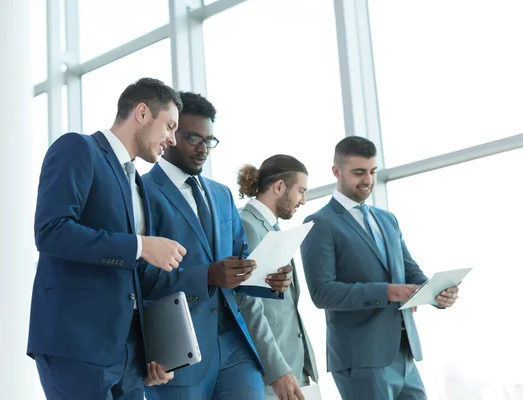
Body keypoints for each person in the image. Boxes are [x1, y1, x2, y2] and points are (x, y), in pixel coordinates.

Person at [27, 77, 188, 400]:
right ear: (141, 113)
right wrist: (141, 246)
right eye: (169, 126)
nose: (172, 139)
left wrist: (154, 350)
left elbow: (135, 272)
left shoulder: (138, 183)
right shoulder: (78, 148)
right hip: (77, 343)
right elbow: (51, 231)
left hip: (128, 354)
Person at [140, 91, 292, 400]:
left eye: (209, 141)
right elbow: (138, 277)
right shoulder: (142, 192)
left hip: (235, 346)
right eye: (193, 138)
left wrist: (267, 280)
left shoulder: (221, 195)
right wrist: (207, 275)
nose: (203, 149)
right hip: (179, 349)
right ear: (170, 134)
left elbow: (240, 260)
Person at [300, 136, 459, 400]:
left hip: (404, 353)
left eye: (373, 172)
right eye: (359, 172)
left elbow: (411, 273)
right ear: (336, 172)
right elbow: (322, 293)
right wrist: (388, 292)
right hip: (360, 358)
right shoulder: (320, 223)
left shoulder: (387, 220)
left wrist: (438, 294)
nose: (368, 180)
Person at [235, 155, 319, 400]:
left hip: (293, 367)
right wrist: (277, 369)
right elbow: (249, 305)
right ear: (279, 187)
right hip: (271, 373)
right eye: (300, 191)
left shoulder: (273, 228)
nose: (303, 200)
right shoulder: (247, 225)